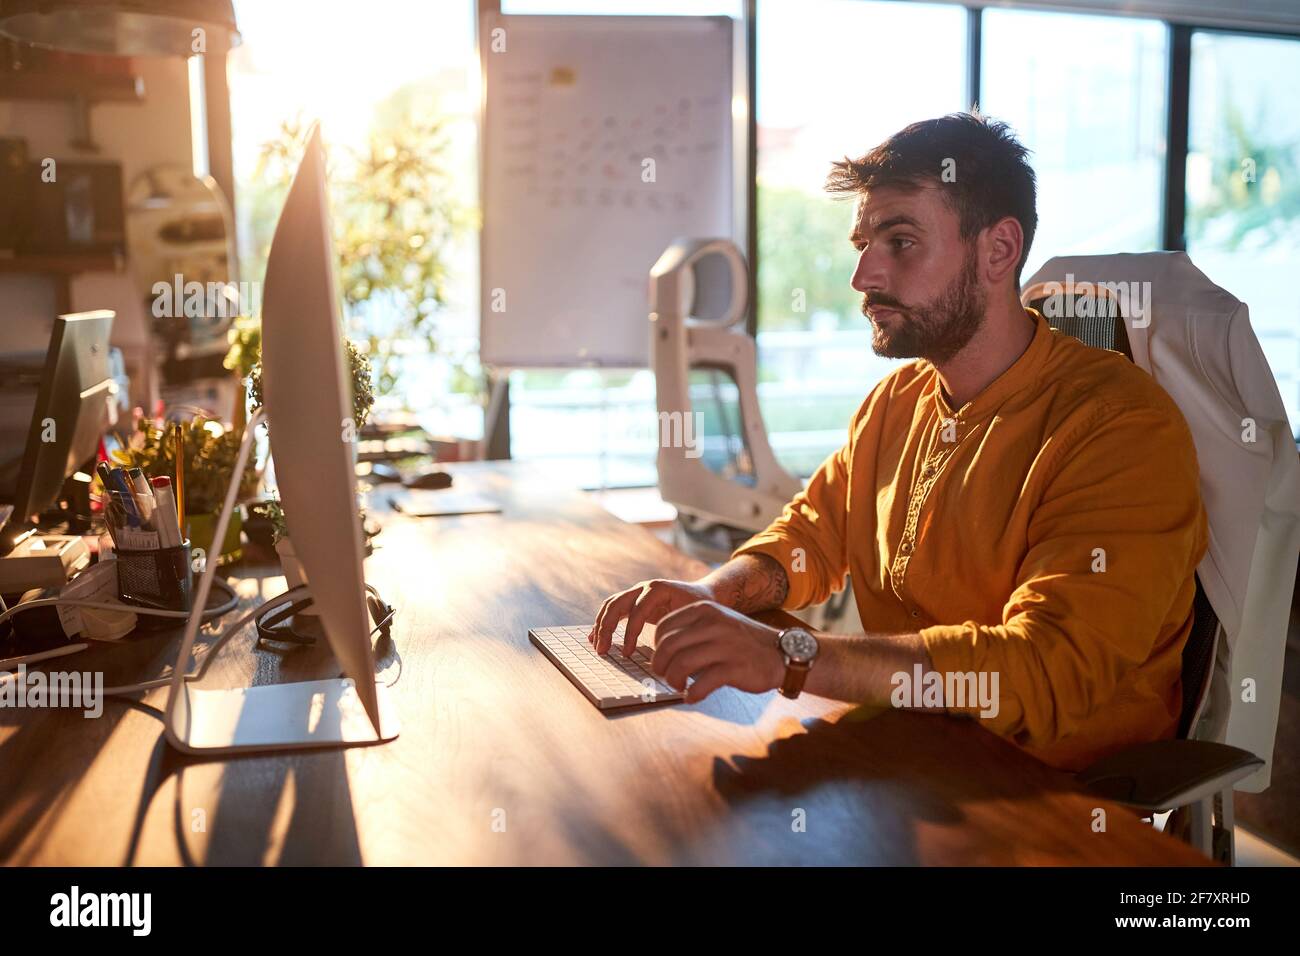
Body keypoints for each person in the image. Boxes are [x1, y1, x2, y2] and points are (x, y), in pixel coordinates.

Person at [588, 111, 1208, 772]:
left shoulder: (1121, 427)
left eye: (901, 241)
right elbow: (813, 537)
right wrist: (718, 592)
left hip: (1049, 797)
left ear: (998, 250)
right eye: (863, 244)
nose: (864, 276)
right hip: (909, 752)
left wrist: (790, 657)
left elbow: (1043, 667)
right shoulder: (898, 400)